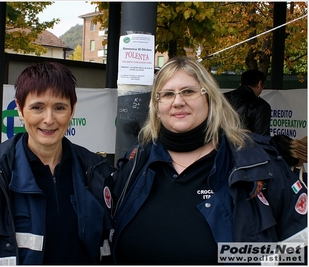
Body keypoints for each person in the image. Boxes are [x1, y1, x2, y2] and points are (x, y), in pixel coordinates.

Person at [110, 57, 307, 264]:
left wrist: (252, 257)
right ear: (156, 107)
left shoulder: (259, 167)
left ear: (210, 99)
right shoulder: (134, 165)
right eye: (167, 94)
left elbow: (300, 249)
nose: (178, 101)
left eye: (189, 91)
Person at [0, 61, 115, 265]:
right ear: (19, 109)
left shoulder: (97, 175)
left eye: (59, 107)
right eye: (37, 107)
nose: (49, 119)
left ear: (72, 110)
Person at [224, 69, 271, 135]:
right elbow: (262, 139)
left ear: (241, 83)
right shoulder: (260, 106)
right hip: (246, 144)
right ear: (260, 83)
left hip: (217, 144)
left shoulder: (221, 99)